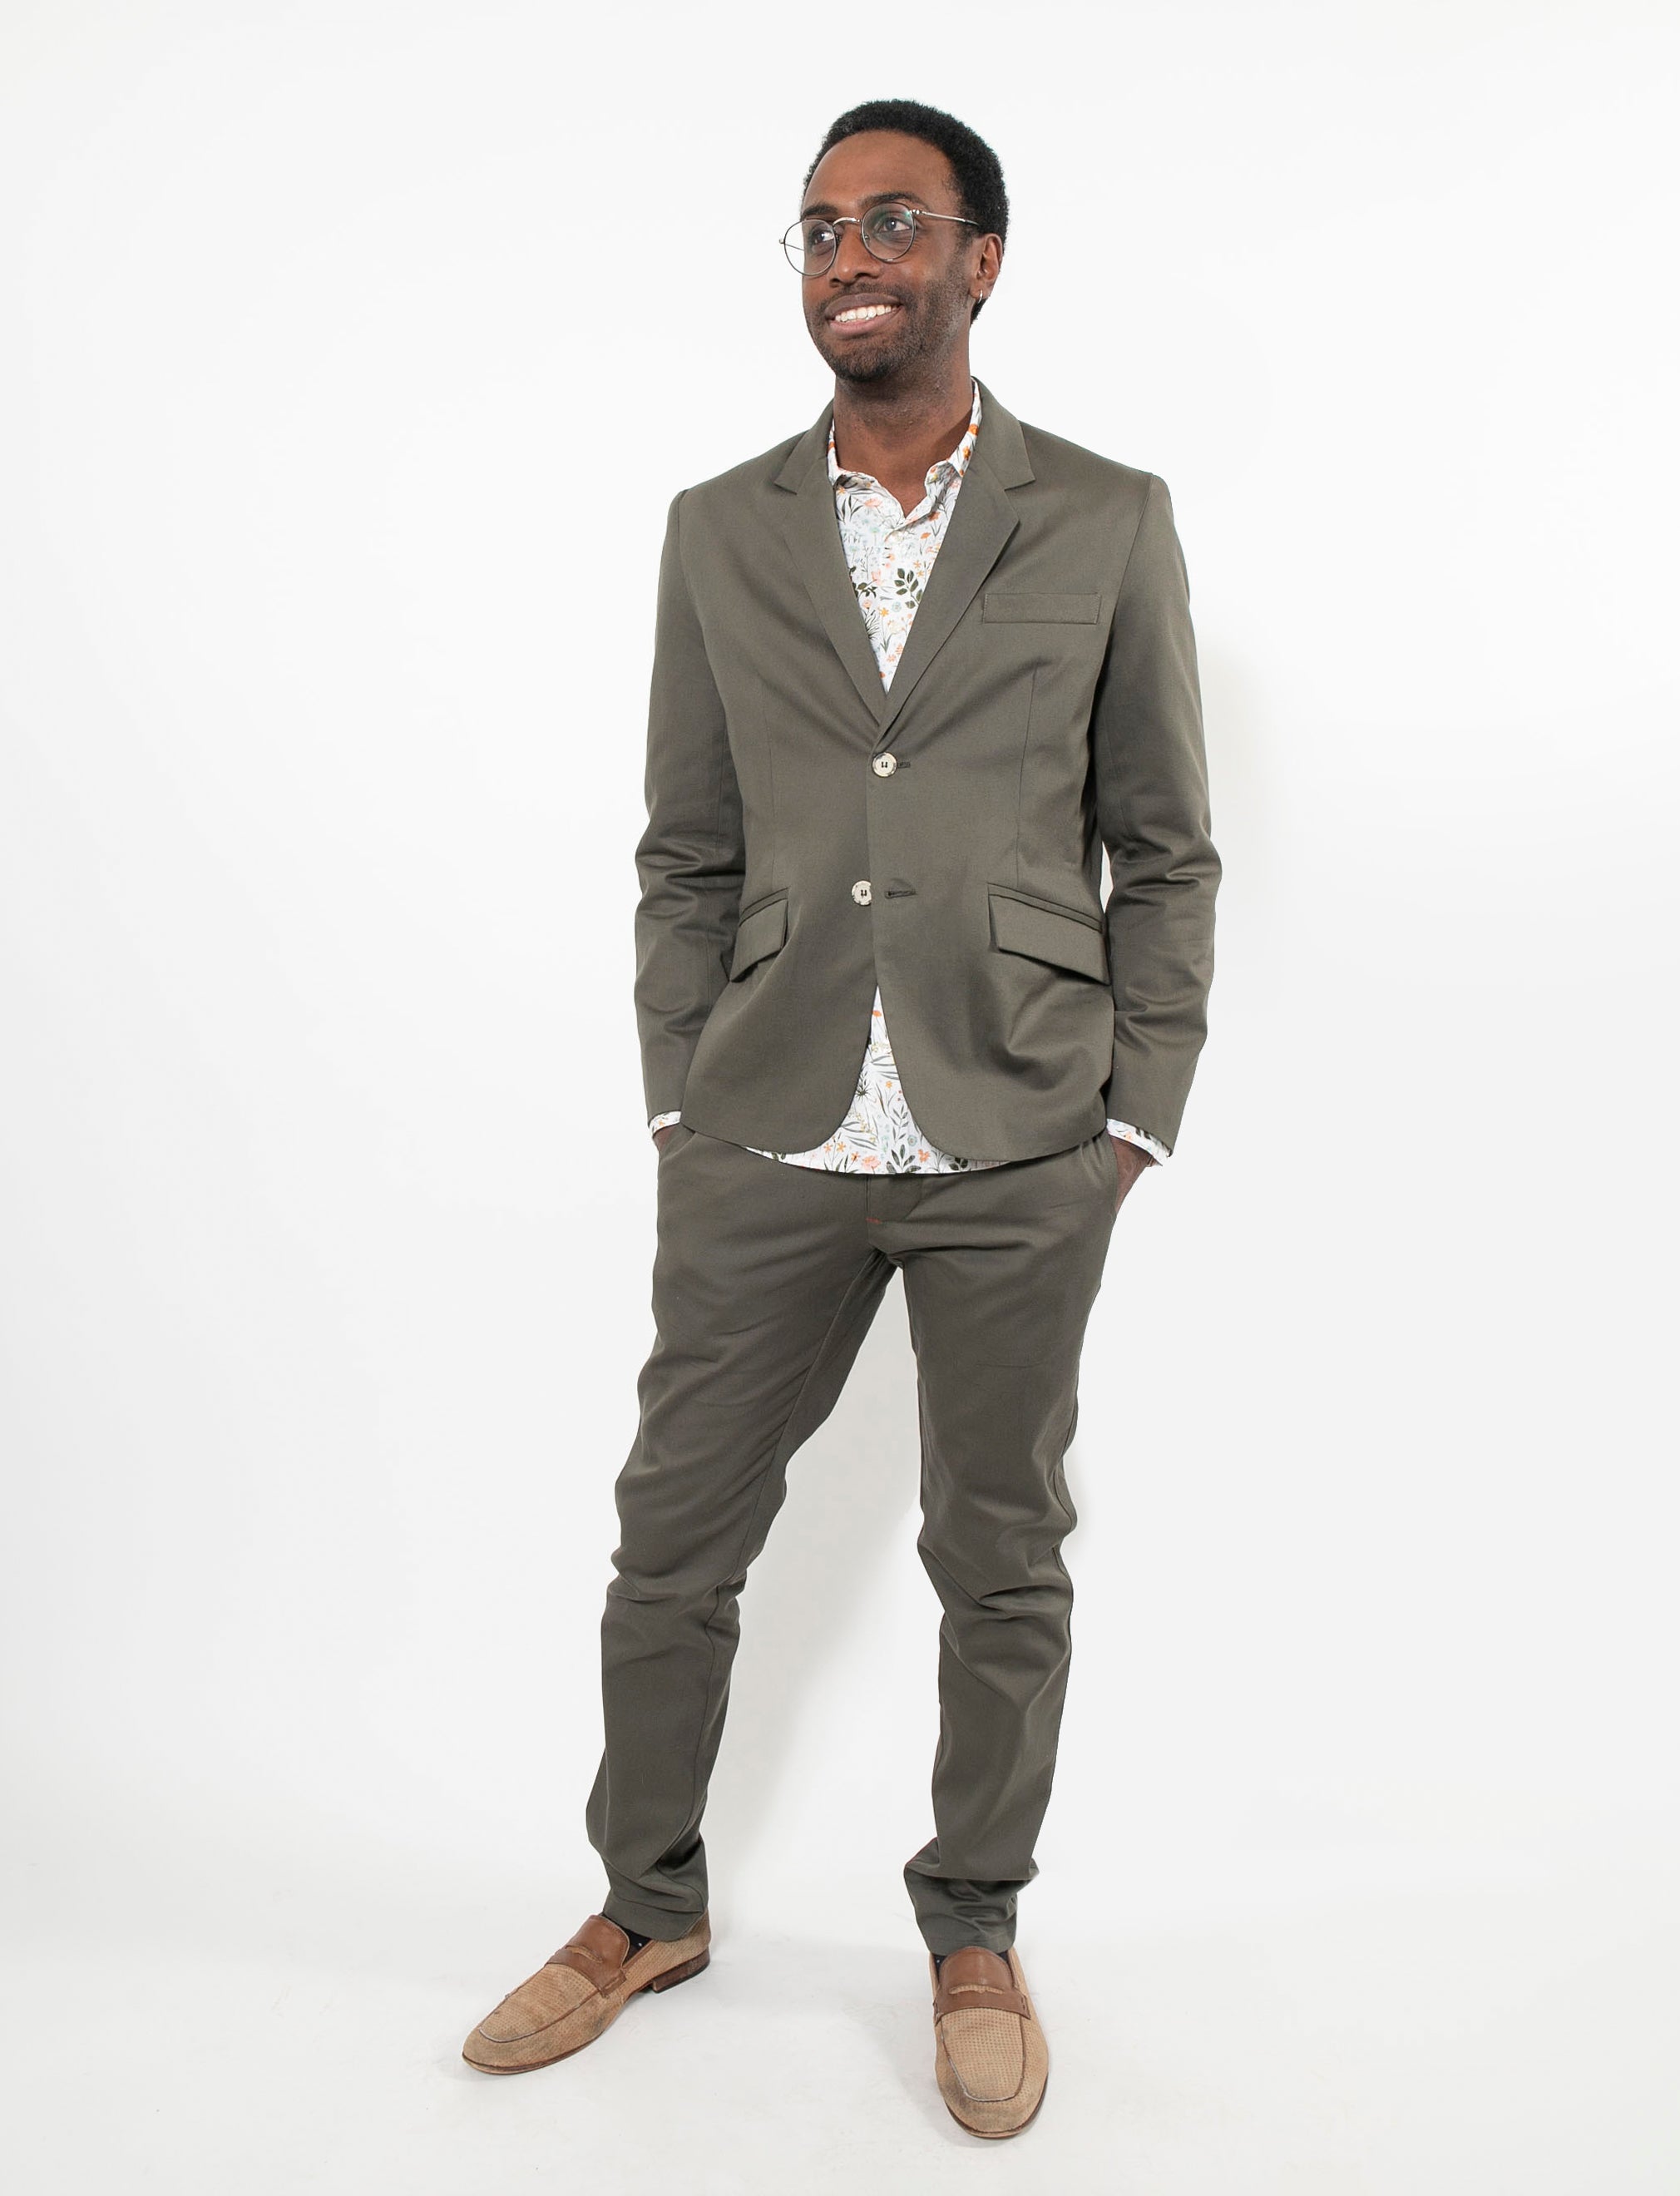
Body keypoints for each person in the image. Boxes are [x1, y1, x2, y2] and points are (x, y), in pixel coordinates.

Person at [462, 96, 1219, 2139]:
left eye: (892, 222)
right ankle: (644, 1909)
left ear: (982, 257)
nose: (848, 260)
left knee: (1001, 1555)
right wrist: (676, 1101)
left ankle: (974, 1929)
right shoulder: (719, 527)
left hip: (1020, 1134)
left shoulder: (1106, 515)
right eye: (815, 229)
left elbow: (1164, 842)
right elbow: (685, 846)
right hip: (766, 1131)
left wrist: (1133, 1117)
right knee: (672, 1543)